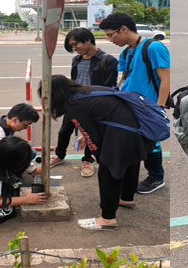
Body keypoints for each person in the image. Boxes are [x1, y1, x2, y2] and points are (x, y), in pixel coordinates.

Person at [40, 75, 153, 230]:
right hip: (135, 130)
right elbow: (100, 117)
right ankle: (126, 198)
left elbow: (92, 136)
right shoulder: (87, 91)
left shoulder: (74, 105)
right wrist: (84, 138)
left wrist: (100, 156)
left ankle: (107, 219)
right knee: (130, 162)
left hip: (121, 134)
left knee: (108, 172)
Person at [99, 13, 169, 194]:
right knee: (133, 142)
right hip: (128, 105)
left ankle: (156, 177)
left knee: (151, 142)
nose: (109, 39)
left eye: (111, 34)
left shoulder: (153, 47)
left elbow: (165, 79)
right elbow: (125, 78)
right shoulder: (127, 51)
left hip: (148, 106)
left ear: (123, 29)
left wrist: (159, 109)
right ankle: (134, 176)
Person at [49, 27, 118, 178]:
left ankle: (88, 160)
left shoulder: (107, 60)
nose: (74, 49)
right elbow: (73, 80)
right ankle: (60, 155)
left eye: (76, 45)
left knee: (90, 134)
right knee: (64, 130)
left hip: (95, 105)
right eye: (72, 47)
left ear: (88, 40)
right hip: (74, 102)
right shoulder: (77, 59)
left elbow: (109, 88)